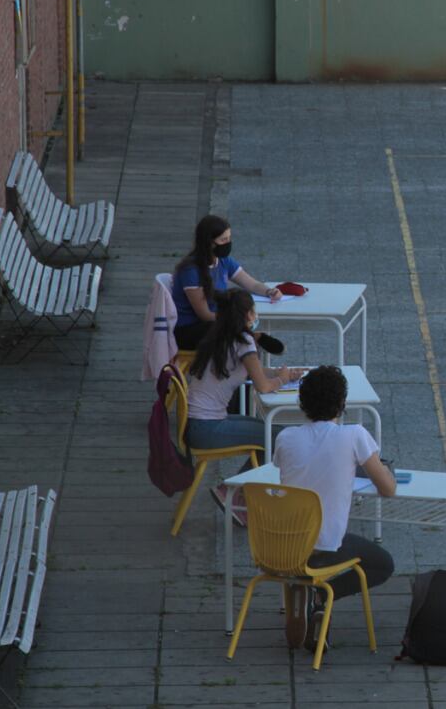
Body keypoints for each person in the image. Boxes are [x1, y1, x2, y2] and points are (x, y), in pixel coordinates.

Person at [275, 365, 396, 654]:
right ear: (342, 404)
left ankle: (305, 595)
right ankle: (321, 597)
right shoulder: (354, 435)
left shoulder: (285, 437)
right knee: (382, 564)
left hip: (282, 546)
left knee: (319, 539)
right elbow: (388, 489)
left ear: (301, 403)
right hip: (324, 546)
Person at [185, 290, 302, 521]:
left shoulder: (220, 336)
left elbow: (251, 371)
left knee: (267, 433)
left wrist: (279, 373)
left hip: (198, 423)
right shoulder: (244, 341)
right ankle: (233, 494)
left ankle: (238, 494)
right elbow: (263, 387)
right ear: (248, 314)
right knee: (280, 437)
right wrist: (283, 379)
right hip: (208, 428)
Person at [171, 215, 285, 350]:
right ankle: (254, 340)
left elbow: (251, 283)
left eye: (229, 238)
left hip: (215, 324)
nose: (228, 243)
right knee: (238, 339)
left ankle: (252, 342)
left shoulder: (223, 261)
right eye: (223, 239)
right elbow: (204, 315)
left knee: (239, 337)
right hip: (190, 330)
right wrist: (235, 319)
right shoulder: (191, 271)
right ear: (209, 242)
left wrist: (269, 291)